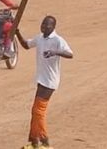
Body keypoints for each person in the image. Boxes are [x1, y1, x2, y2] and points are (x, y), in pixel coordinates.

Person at [17, 16, 73, 149]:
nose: (44, 27)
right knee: (35, 111)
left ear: (53, 27)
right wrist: (17, 33)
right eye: (42, 24)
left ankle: (44, 141)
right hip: (41, 79)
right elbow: (26, 45)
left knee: (39, 111)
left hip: (50, 81)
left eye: (47, 25)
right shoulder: (40, 38)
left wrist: (55, 52)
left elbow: (70, 54)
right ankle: (33, 141)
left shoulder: (58, 40)